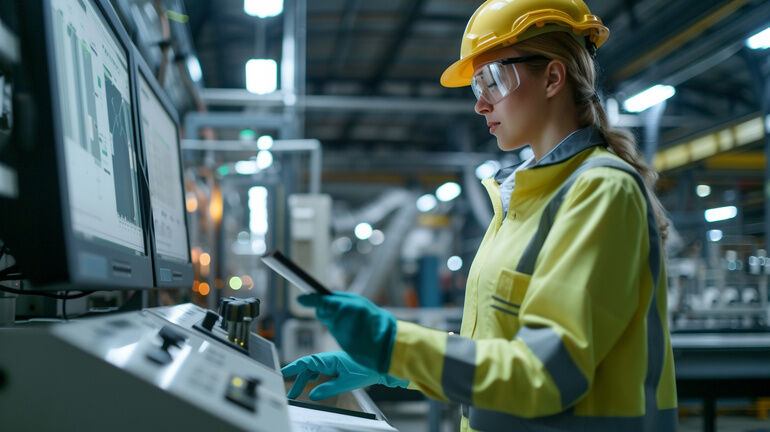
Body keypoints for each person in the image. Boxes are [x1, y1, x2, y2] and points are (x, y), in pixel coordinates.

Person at [282, 0, 678, 430]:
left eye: (492, 81)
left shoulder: (600, 190)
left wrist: (395, 345)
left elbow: (544, 373)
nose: (480, 105)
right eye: (476, 87)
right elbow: (493, 349)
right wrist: (387, 368)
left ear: (552, 77)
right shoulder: (521, 198)